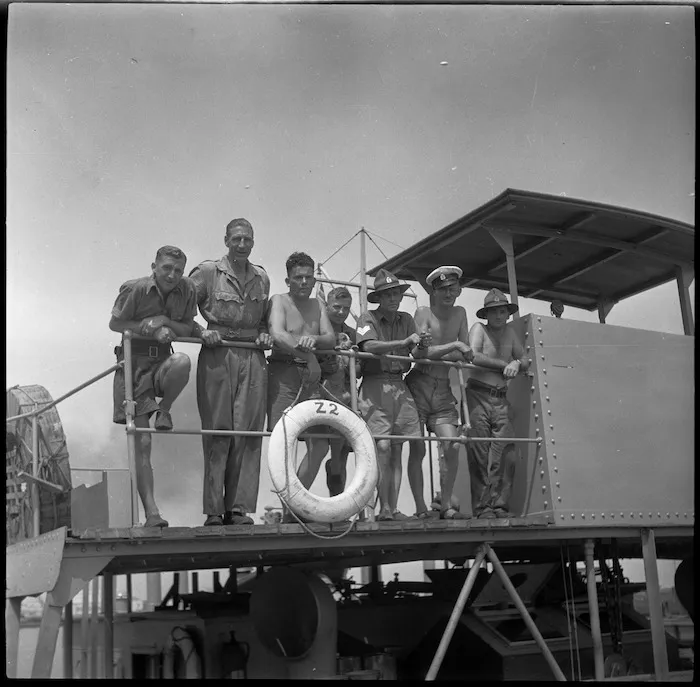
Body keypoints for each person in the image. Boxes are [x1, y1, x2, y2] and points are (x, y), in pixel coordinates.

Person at [189, 218, 272, 527]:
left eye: (247, 239)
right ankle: (213, 509)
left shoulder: (261, 278)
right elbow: (183, 308)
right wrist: (200, 331)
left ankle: (238, 508)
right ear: (226, 239)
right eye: (236, 238)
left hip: (252, 356)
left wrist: (264, 334)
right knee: (218, 431)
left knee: (248, 433)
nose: (241, 244)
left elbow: (264, 319)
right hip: (218, 352)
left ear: (253, 242)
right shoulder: (209, 272)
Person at [110, 245, 196, 528]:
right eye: (167, 269)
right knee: (143, 442)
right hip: (134, 366)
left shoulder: (186, 290)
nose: (172, 275)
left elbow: (189, 326)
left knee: (183, 360)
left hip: (162, 362)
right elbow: (115, 323)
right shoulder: (134, 289)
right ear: (154, 267)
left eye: (178, 270)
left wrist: (167, 323)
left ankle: (165, 410)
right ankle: (152, 513)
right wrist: (147, 328)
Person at [355, 269, 431, 521]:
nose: (393, 298)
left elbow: (417, 354)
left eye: (396, 293)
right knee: (383, 447)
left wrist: (422, 344)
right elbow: (369, 346)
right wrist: (404, 343)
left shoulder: (407, 319)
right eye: (387, 294)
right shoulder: (368, 317)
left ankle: (393, 508)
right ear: (380, 297)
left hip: (399, 385)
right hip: (375, 385)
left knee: (403, 447)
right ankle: (383, 508)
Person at [267, 252, 336, 507]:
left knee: (320, 445)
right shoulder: (279, 301)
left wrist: (314, 340)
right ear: (288, 280)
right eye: (298, 278)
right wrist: (308, 357)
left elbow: (330, 338)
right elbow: (278, 334)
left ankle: (293, 503)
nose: (304, 282)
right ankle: (287, 503)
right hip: (284, 373)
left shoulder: (318, 306)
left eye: (309, 277)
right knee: (283, 442)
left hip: (312, 380)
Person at [407, 265, 473, 520]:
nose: (449, 293)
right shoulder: (423, 312)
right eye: (443, 289)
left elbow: (466, 353)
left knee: (452, 444)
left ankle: (445, 505)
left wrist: (442, 349)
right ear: (433, 291)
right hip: (419, 385)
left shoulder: (460, 313)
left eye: (453, 288)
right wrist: (454, 346)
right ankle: (421, 508)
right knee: (418, 449)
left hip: (443, 388)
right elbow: (418, 354)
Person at [467, 288, 530, 519]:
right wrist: (504, 365)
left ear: (507, 313)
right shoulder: (478, 329)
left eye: (502, 311)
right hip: (478, 396)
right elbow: (472, 356)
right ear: (486, 314)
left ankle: (501, 505)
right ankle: (483, 508)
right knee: (479, 452)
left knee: (508, 453)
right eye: (493, 311)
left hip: (501, 399)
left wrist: (516, 363)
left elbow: (524, 359)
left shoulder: (511, 333)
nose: (498, 316)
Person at [318, 286, 360, 496]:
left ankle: (337, 500)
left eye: (346, 308)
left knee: (342, 451)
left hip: (344, 396)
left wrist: (352, 356)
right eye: (337, 307)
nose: (342, 312)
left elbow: (358, 372)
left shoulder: (352, 333)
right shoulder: (317, 329)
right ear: (327, 305)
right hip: (321, 395)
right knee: (318, 449)